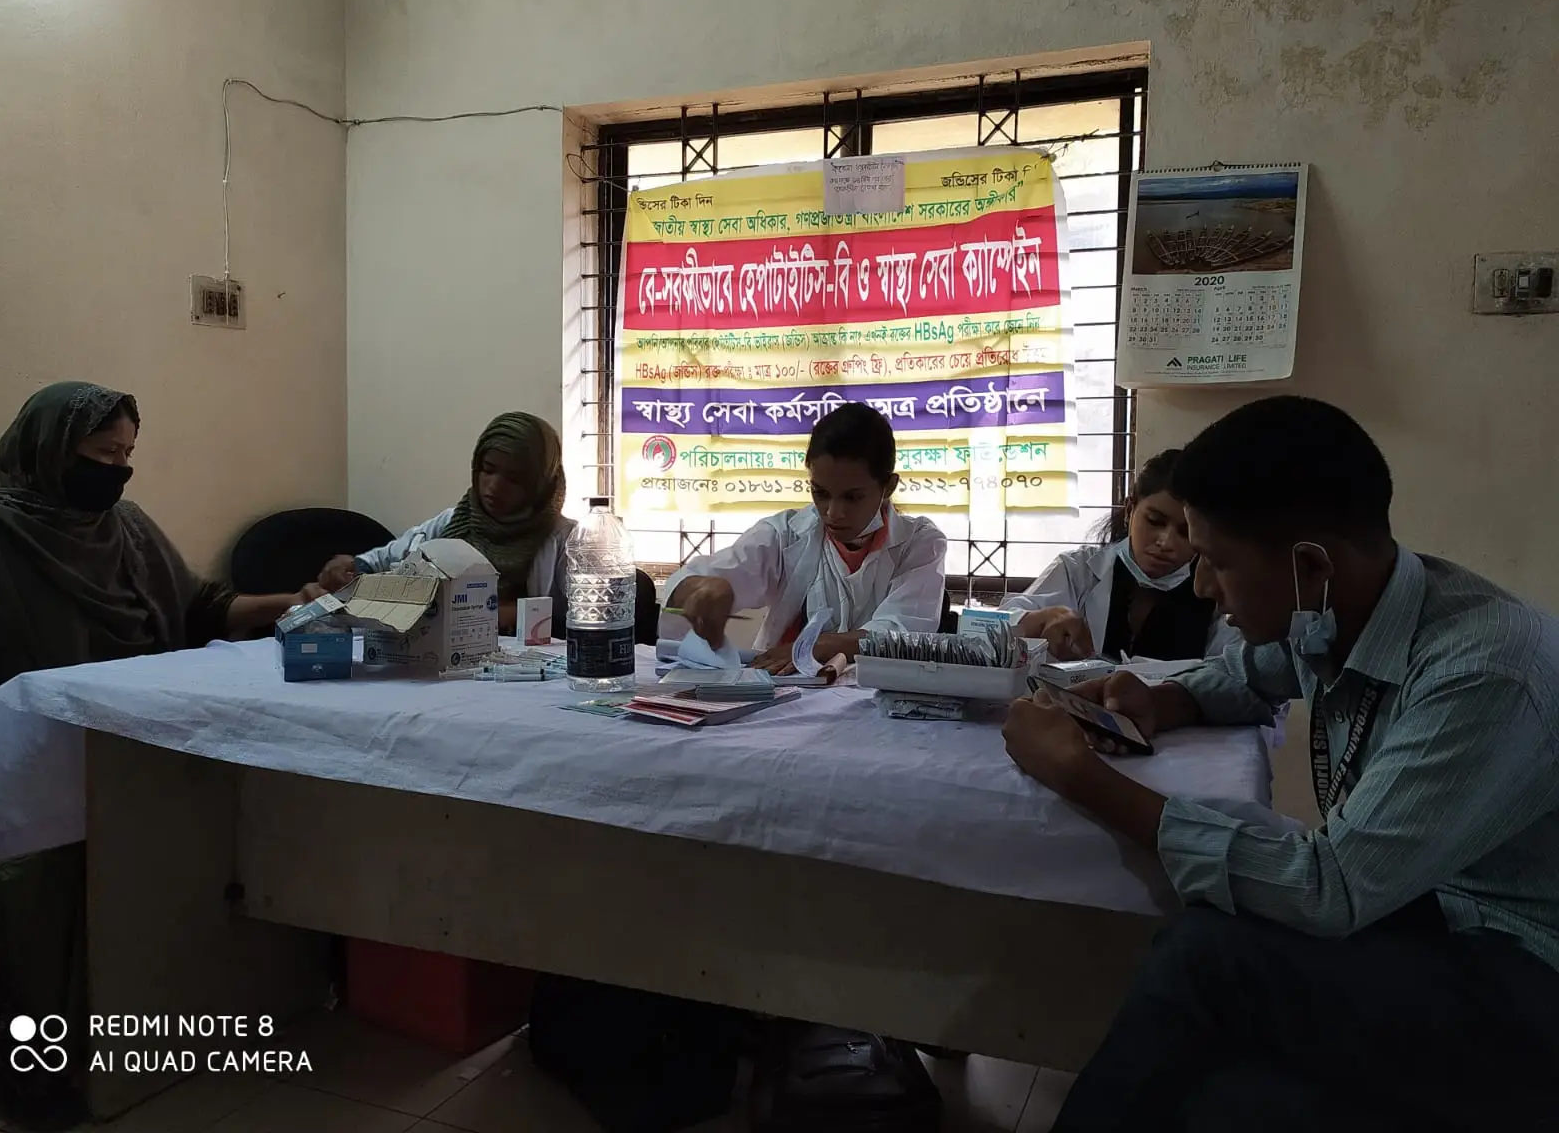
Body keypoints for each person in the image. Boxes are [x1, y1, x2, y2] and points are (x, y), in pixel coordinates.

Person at [999, 395, 1559, 1131]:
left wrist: (1081, 777)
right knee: (1224, 1088)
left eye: (1216, 561)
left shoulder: (1484, 672)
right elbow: (1253, 674)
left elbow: (1327, 889)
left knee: (1208, 957)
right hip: (1424, 915)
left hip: (1522, 974)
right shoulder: (1346, 609)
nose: (1202, 586)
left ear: (1311, 565)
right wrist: (1159, 701)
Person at [0, 382, 308, 1128]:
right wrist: (42, 718)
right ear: (51, 450)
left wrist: (294, 603)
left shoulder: (128, 527)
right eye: (102, 453)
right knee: (51, 869)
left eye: (127, 454)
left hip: (137, 741)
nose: (117, 470)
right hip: (22, 758)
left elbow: (202, 607)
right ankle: (45, 1062)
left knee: (242, 811)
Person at [664, 403, 946, 673]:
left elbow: (901, 633)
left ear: (888, 487)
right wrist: (700, 590)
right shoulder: (784, 534)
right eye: (820, 493)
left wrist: (816, 646)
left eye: (852, 497)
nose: (833, 512)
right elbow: (695, 581)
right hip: (781, 689)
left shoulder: (920, 543)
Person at [317, 412, 572, 635]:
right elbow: (389, 557)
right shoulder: (454, 521)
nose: (494, 486)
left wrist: (520, 614)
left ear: (539, 485)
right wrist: (352, 566)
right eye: (488, 469)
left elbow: (585, 618)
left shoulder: (566, 541)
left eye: (513, 479)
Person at [1000, 449, 1236, 662]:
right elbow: (996, 627)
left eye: (1186, 531)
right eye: (1154, 521)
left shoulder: (1218, 594)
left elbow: (1230, 673)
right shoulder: (1078, 570)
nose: (1166, 542)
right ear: (1130, 510)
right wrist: (1042, 618)